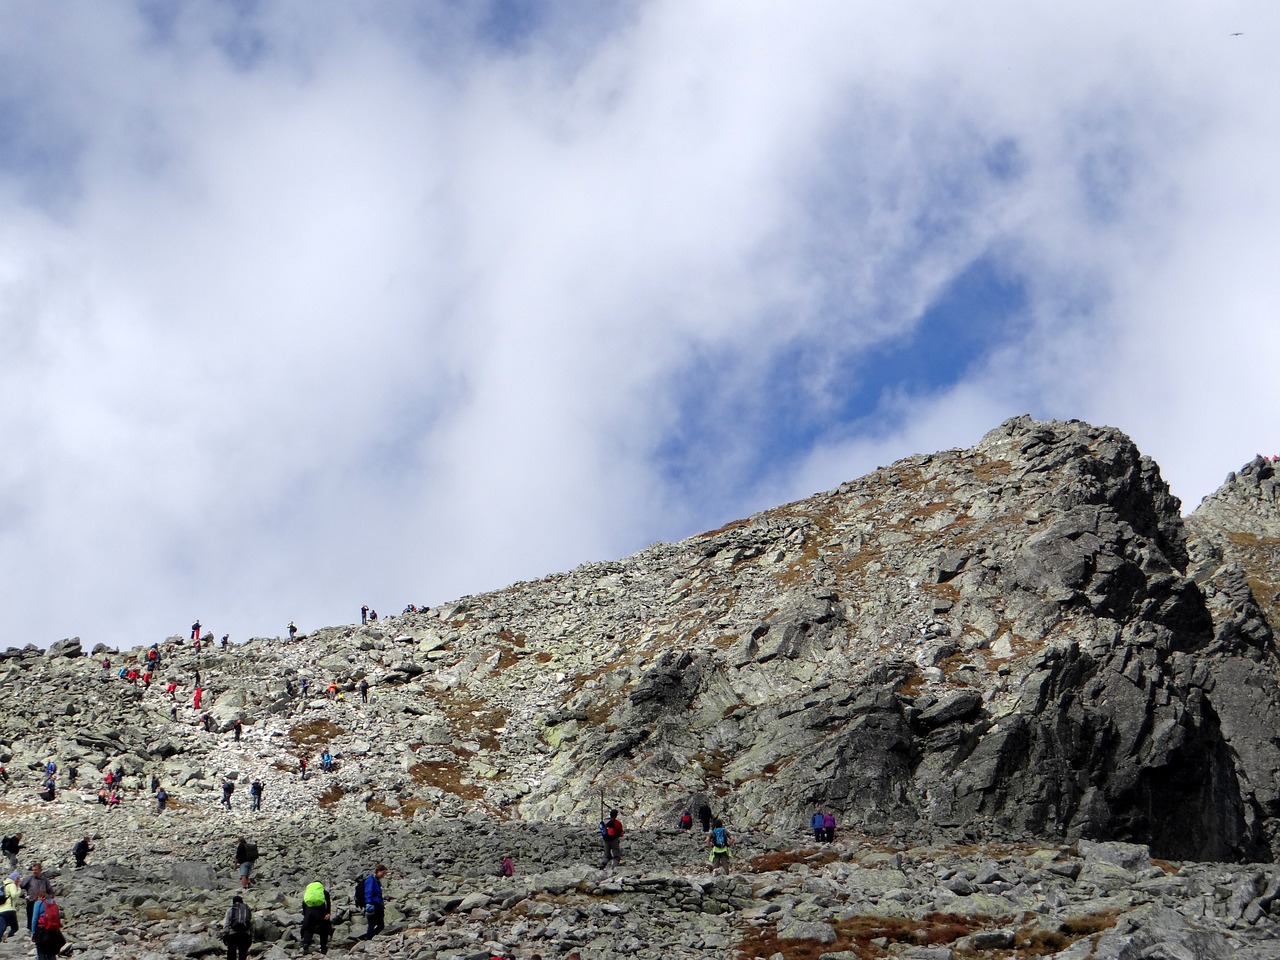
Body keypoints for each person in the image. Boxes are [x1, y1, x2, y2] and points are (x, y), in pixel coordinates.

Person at [30, 889, 64, 960]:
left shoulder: (38, 903)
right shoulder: (53, 902)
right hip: (53, 930)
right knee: (51, 952)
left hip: (42, 930)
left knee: (41, 951)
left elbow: (35, 919)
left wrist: (33, 932)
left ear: (38, 896)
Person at [300, 880, 331, 954]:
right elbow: (328, 902)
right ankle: (323, 948)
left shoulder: (309, 892)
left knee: (308, 929)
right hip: (320, 911)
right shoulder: (323, 891)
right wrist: (328, 913)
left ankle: (306, 944)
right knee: (323, 930)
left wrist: (305, 915)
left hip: (309, 912)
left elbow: (304, 903)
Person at [19, 862, 51, 932]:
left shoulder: (45, 880)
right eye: (33, 870)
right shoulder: (29, 878)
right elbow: (20, 886)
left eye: (36, 870)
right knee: (31, 918)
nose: (34, 872)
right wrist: (24, 896)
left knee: (42, 918)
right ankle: (31, 932)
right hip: (32, 902)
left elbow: (50, 891)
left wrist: (48, 898)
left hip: (43, 902)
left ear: (40, 870)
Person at [359, 865, 387, 940]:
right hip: (373, 905)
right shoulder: (371, 879)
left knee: (379, 925)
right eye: (383, 873)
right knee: (373, 924)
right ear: (378, 871)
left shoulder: (376, 880)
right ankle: (367, 939)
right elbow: (369, 892)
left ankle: (366, 938)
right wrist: (369, 904)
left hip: (377, 905)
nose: (383, 876)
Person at [222, 894, 252, 960]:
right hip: (245, 934)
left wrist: (224, 935)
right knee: (243, 951)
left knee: (231, 952)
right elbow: (250, 922)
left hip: (233, 934)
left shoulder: (230, 909)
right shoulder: (247, 909)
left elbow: (226, 924)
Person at [0, 870, 19, 942]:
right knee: (15, 927)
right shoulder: (12, 885)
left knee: (2, 927)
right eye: (18, 878)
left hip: (1, 910)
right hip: (10, 909)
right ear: (15, 878)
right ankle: (7, 938)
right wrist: (19, 889)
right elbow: (14, 895)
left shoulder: (3, 886)